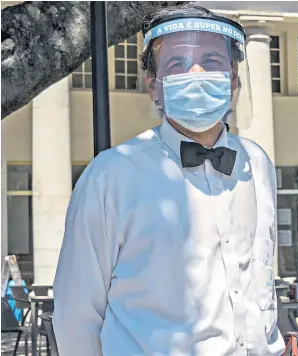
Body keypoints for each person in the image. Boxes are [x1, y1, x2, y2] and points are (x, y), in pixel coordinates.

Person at [52, 4, 285, 356]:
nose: (196, 72)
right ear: (153, 86)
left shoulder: (258, 164)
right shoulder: (111, 176)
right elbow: (76, 319)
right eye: (177, 64)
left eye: (212, 61)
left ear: (233, 81)